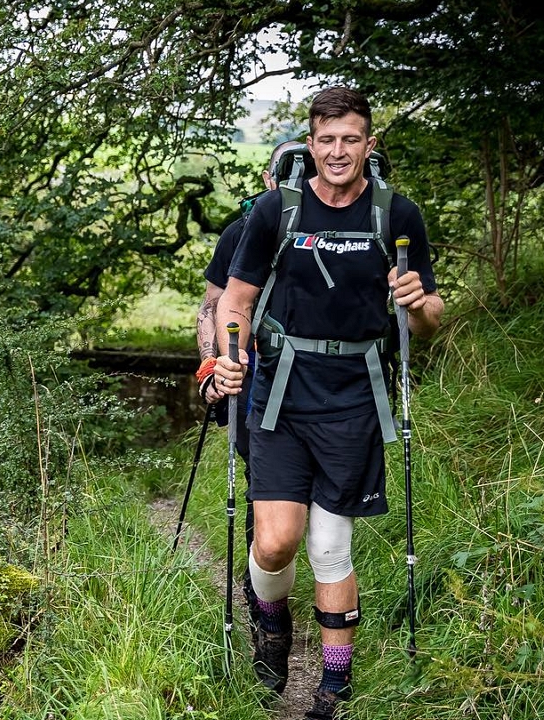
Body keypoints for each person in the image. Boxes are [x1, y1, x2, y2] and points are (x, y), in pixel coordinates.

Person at [212, 87, 444, 719]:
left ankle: (334, 686)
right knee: (276, 543)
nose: (338, 151)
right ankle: (272, 622)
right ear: (310, 146)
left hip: (355, 398)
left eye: (351, 139)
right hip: (281, 392)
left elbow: (428, 321)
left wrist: (418, 303)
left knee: (330, 544)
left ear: (368, 146)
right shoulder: (274, 212)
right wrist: (228, 358)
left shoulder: (398, 216)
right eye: (326, 140)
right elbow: (234, 301)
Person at [196, 139, 304, 602]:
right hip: (252, 369)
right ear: (268, 178)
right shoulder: (241, 231)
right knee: (263, 477)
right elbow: (211, 307)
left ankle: (268, 579)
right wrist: (212, 367)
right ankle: (263, 595)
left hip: (315, 374)